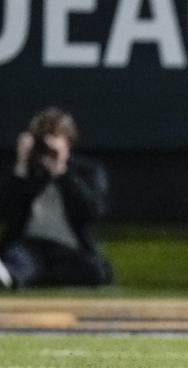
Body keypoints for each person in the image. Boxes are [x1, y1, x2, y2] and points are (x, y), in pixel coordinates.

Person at [0, 107, 113, 290]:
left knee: (95, 272)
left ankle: (32, 278)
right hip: (30, 246)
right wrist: (21, 166)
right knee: (20, 261)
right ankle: (16, 275)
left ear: (68, 141)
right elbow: (8, 212)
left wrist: (61, 171)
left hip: (69, 249)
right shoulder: (26, 173)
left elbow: (92, 211)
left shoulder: (87, 171)